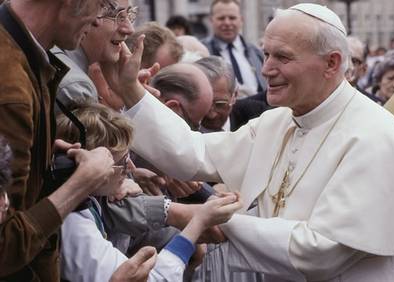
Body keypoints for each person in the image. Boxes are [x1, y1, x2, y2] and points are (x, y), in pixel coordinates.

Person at [103, 3, 394, 281]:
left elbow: (321, 251)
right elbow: (197, 154)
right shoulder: (278, 120)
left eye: (282, 57)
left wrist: (211, 218)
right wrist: (132, 91)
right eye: (265, 55)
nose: (265, 69)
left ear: (332, 63)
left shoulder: (375, 136)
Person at [57, 102, 241, 281]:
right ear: (81, 164)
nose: (130, 168)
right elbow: (155, 279)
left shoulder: (91, 200)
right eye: (121, 162)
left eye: (129, 157)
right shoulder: (73, 222)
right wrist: (197, 223)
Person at [0, 0, 116, 280]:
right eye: (102, 3)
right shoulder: (10, 85)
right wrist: (81, 184)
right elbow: (4, 248)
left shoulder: (24, 57)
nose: (99, 21)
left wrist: (38, 151)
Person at [202, 0, 266, 97]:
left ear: (241, 19)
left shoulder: (255, 52)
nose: (227, 23)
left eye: (232, 18)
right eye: (221, 18)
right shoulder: (202, 52)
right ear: (211, 20)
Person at [195, 56, 269, 132]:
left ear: (234, 95)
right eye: (205, 104)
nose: (211, 115)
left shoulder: (259, 115)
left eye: (220, 104)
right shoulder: (183, 130)